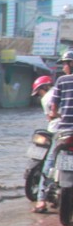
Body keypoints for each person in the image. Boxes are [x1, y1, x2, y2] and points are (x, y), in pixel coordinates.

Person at [39, 52, 73, 213]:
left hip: (64, 130)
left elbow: (53, 107)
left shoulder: (61, 80)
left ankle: (41, 200)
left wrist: (55, 114)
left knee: (50, 161)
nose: (64, 66)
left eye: (65, 63)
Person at [31, 75, 58, 213]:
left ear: (44, 88)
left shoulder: (47, 98)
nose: (39, 95)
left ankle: (41, 200)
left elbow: (50, 117)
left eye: (39, 91)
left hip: (56, 132)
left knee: (49, 163)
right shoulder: (61, 90)